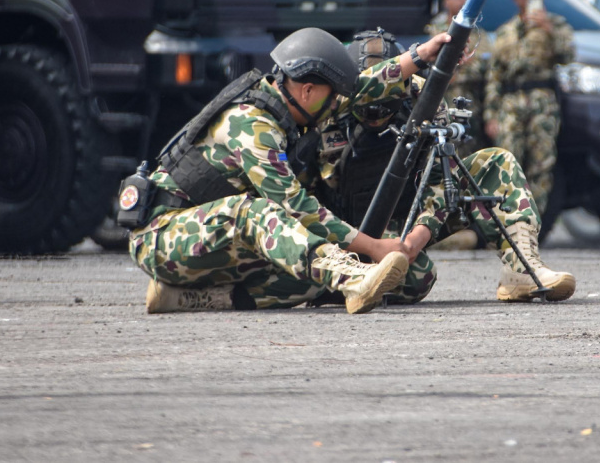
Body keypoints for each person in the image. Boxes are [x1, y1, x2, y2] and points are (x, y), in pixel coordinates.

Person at [124, 27, 453, 314]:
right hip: (162, 239)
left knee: (307, 276)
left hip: (211, 243)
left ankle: (191, 299)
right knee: (258, 212)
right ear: (308, 90)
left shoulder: (293, 101)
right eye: (332, 95)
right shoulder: (249, 124)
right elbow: (295, 206)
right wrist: (372, 248)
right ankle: (351, 277)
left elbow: (363, 88)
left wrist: (421, 55)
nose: (338, 104)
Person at [314, 30, 576, 303]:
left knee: (496, 163)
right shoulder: (328, 105)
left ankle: (524, 269)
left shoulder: (423, 99)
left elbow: (441, 176)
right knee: (417, 277)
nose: (376, 111)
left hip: (408, 214)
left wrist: (419, 235)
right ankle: (338, 279)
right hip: (344, 228)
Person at [484, 0, 574, 215]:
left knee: (541, 163)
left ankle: (533, 221)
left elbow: (568, 56)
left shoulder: (555, 24)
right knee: (508, 162)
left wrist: (548, 31)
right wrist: (491, 114)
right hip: (511, 101)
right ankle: (507, 219)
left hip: (541, 99)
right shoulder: (506, 32)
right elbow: (495, 74)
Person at [427, 0, 492, 156]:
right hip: (441, 108)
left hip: (472, 110)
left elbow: (490, 73)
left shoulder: (480, 36)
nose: (464, 0)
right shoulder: (434, 34)